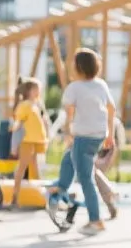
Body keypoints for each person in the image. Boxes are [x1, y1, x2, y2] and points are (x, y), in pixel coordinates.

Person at [47, 48, 116, 236]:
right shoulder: (101, 85)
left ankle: (96, 220)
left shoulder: (74, 88)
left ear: (78, 67)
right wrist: (111, 134)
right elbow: (111, 109)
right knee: (69, 157)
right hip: (98, 136)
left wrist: (69, 133)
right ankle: (61, 184)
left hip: (83, 136)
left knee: (86, 179)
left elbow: (69, 113)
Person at [10, 77, 48, 209]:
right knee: (22, 167)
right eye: (36, 89)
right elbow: (18, 121)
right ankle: (15, 196)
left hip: (37, 140)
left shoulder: (35, 105)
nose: (39, 92)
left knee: (36, 168)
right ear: (29, 91)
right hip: (27, 140)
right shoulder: (25, 105)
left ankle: (42, 197)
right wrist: (14, 139)